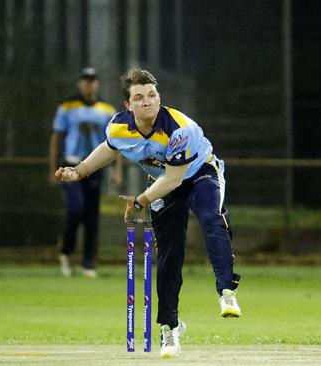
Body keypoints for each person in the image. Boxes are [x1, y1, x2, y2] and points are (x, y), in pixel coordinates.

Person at [56, 68, 241, 358]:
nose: (147, 102)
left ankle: (226, 292)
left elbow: (175, 179)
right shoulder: (118, 126)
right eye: (139, 98)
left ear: (159, 98)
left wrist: (140, 200)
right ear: (128, 105)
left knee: (209, 217)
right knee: (168, 255)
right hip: (162, 184)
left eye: (152, 95)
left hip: (199, 172)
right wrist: (78, 171)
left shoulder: (179, 128)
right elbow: (109, 149)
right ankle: (170, 328)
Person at [48, 67, 120, 278]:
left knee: (91, 216)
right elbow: (56, 138)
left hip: (95, 167)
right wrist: (53, 168)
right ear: (80, 83)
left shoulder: (107, 109)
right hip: (71, 166)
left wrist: (117, 171)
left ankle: (88, 262)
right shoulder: (67, 106)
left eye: (93, 80)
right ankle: (66, 252)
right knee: (76, 209)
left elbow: (117, 142)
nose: (89, 84)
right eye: (85, 80)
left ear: (97, 83)